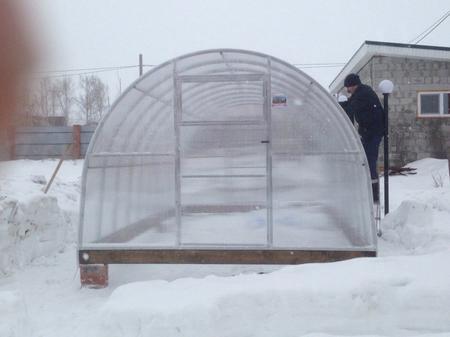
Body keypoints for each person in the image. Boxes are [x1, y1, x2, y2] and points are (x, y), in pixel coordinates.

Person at [342, 73, 384, 203]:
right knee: (365, 160)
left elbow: (351, 106)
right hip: (369, 133)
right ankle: (369, 191)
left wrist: (342, 106)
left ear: (353, 85)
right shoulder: (361, 93)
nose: (347, 91)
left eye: (348, 87)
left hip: (373, 133)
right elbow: (350, 104)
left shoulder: (363, 94)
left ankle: (374, 195)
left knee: (369, 160)